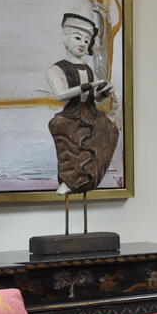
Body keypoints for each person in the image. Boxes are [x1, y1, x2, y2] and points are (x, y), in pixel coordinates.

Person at [46, 11, 120, 194]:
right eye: (77, 38)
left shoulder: (88, 69)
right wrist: (86, 86)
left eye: (86, 41)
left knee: (108, 129)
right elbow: (61, 95)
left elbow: (96, 98)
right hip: (71, 115)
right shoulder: (56, 69)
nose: (82, 43)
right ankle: (71, 180)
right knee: (65, 130)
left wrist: (104, 92)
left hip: (90, 112)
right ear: (65, 39)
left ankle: (90, 178)